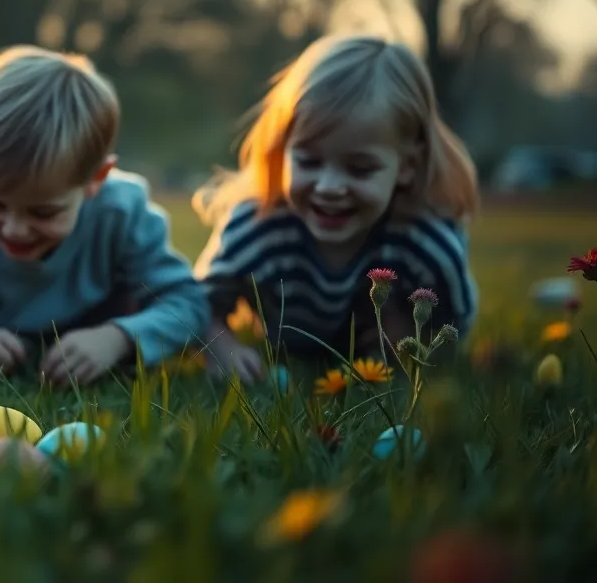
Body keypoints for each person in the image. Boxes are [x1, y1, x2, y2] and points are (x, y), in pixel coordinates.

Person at [0, 45, 209, 385]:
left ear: (96, 179)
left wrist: (117, 339)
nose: (15, 229)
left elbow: (188, 304)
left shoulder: (121, 215)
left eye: (43, 212)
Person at [192, 35, 480, 382]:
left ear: (407, 165)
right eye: (309, 161)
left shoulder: (425, 244)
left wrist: (415, 340)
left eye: (360, 169)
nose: (328, 187)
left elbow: (452, 330)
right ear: (283, 150)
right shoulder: (257, 228)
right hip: (287, 351)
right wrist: (223, 348)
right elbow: (197, 305)